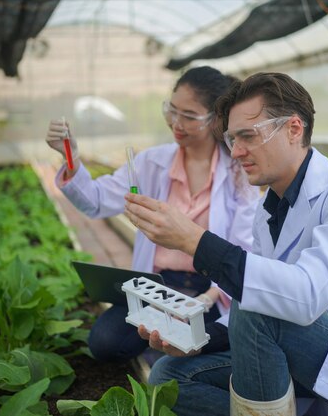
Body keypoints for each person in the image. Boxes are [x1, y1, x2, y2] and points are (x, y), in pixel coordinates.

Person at [124, 72, 328, 416]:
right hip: (290, 343)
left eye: (248, 136)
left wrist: (195, 241)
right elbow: (259, 298)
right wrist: (195, 340)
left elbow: (305, 297)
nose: (235, 152)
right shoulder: (268, 212)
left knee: (256, 304)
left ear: (294, 129)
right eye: (232, 139)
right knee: (167, 375)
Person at [45, 66, 259, 362]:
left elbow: (242, 248)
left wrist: (204, 300)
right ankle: (160, 337)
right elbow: (94, 201)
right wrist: (70, 155)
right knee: (104, 342)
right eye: (172, 111)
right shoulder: (150, 163)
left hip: (206, 291)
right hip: (154, 287)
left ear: (214, 119)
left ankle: (167, 343)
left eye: (189, 116)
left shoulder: (238, 173)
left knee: (197, 349)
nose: (176, 123)